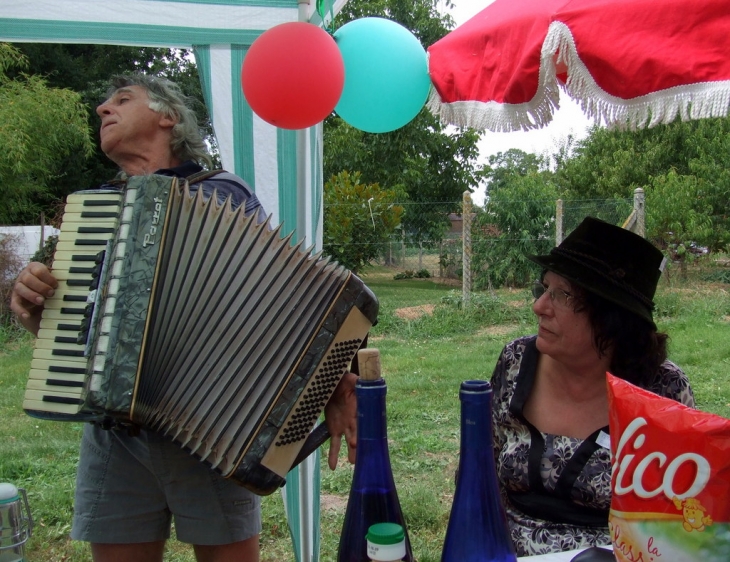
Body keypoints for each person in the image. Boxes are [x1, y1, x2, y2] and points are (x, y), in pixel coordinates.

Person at [10, 74, 357, 562]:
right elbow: (71, 333)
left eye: (121, 99)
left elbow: (286, 307)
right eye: (105, 102)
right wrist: (34, 309)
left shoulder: (224, 196)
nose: (102, 110)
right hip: (114, 437)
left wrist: (336, 387)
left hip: (214, 428)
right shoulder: (95, 212)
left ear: (167, 117)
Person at [489, 217, 694, 557]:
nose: (539, 306)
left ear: (611, 318)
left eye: (562, 295)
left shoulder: (664, 389)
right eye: (544, 288)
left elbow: (680, 520)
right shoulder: (515, 361)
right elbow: (482, 470)